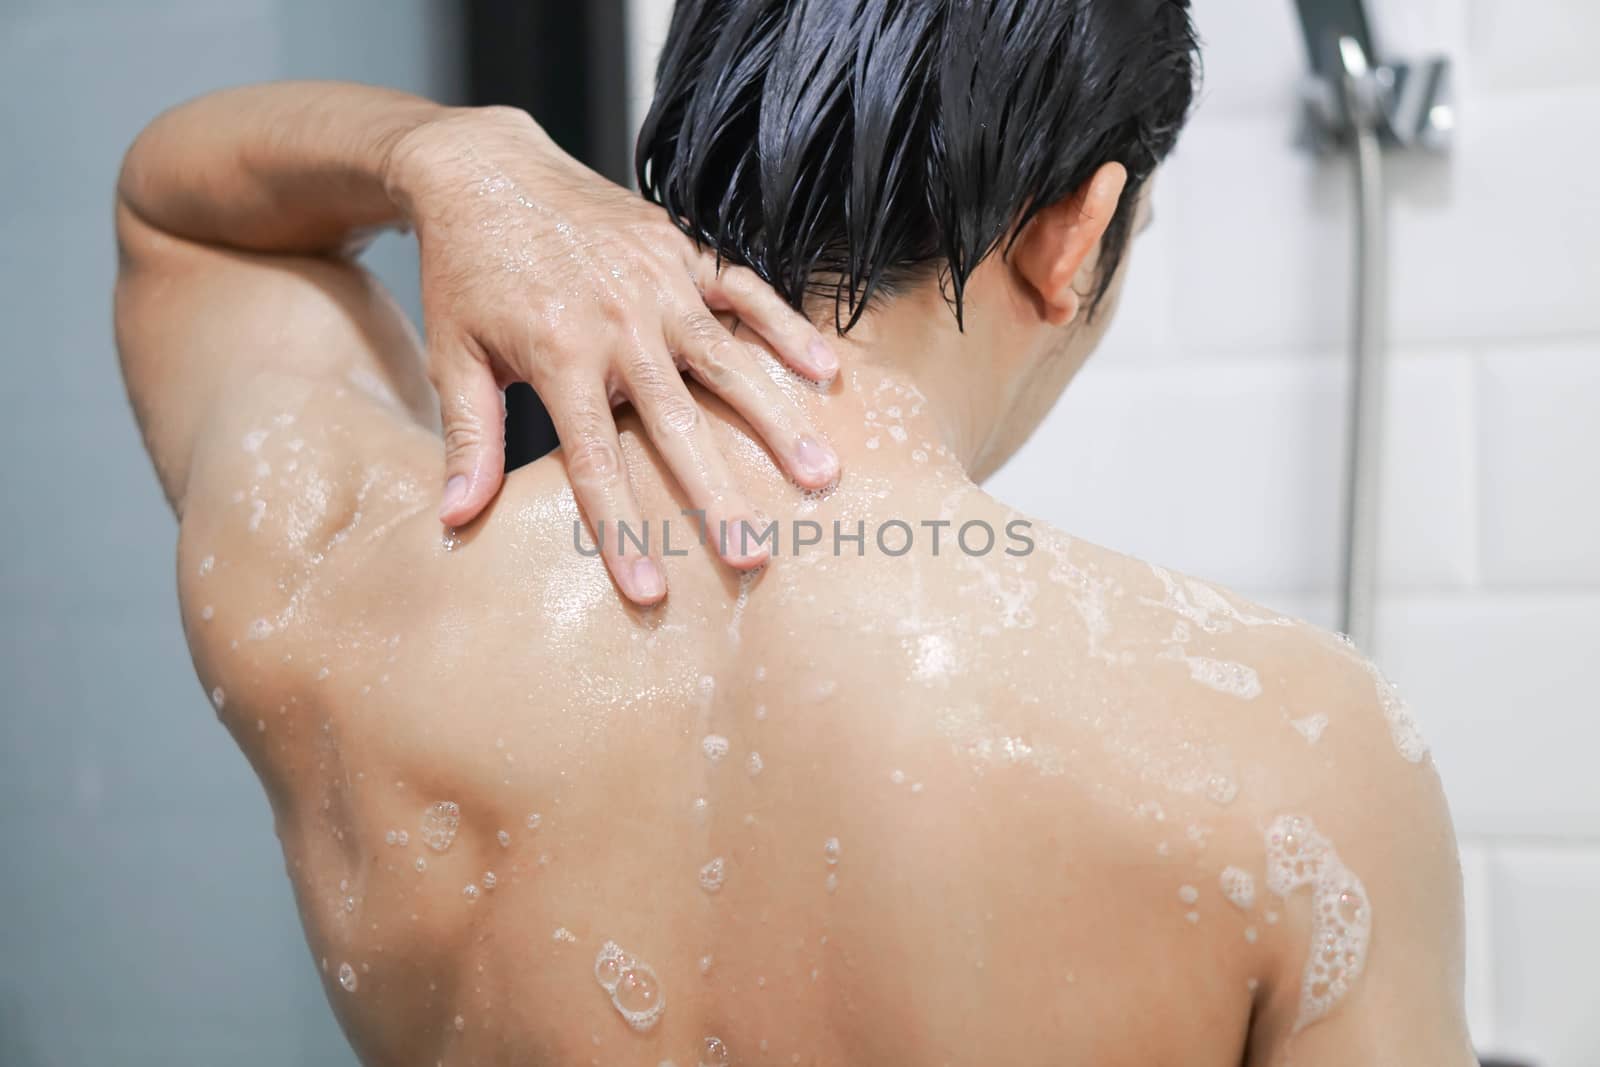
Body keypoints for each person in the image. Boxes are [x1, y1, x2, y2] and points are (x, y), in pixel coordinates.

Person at [115, 1, 1476, 1064]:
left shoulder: (350, 589)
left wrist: (447, 154)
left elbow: (180, 223)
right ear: (1077, 234)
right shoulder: (1291, 756)